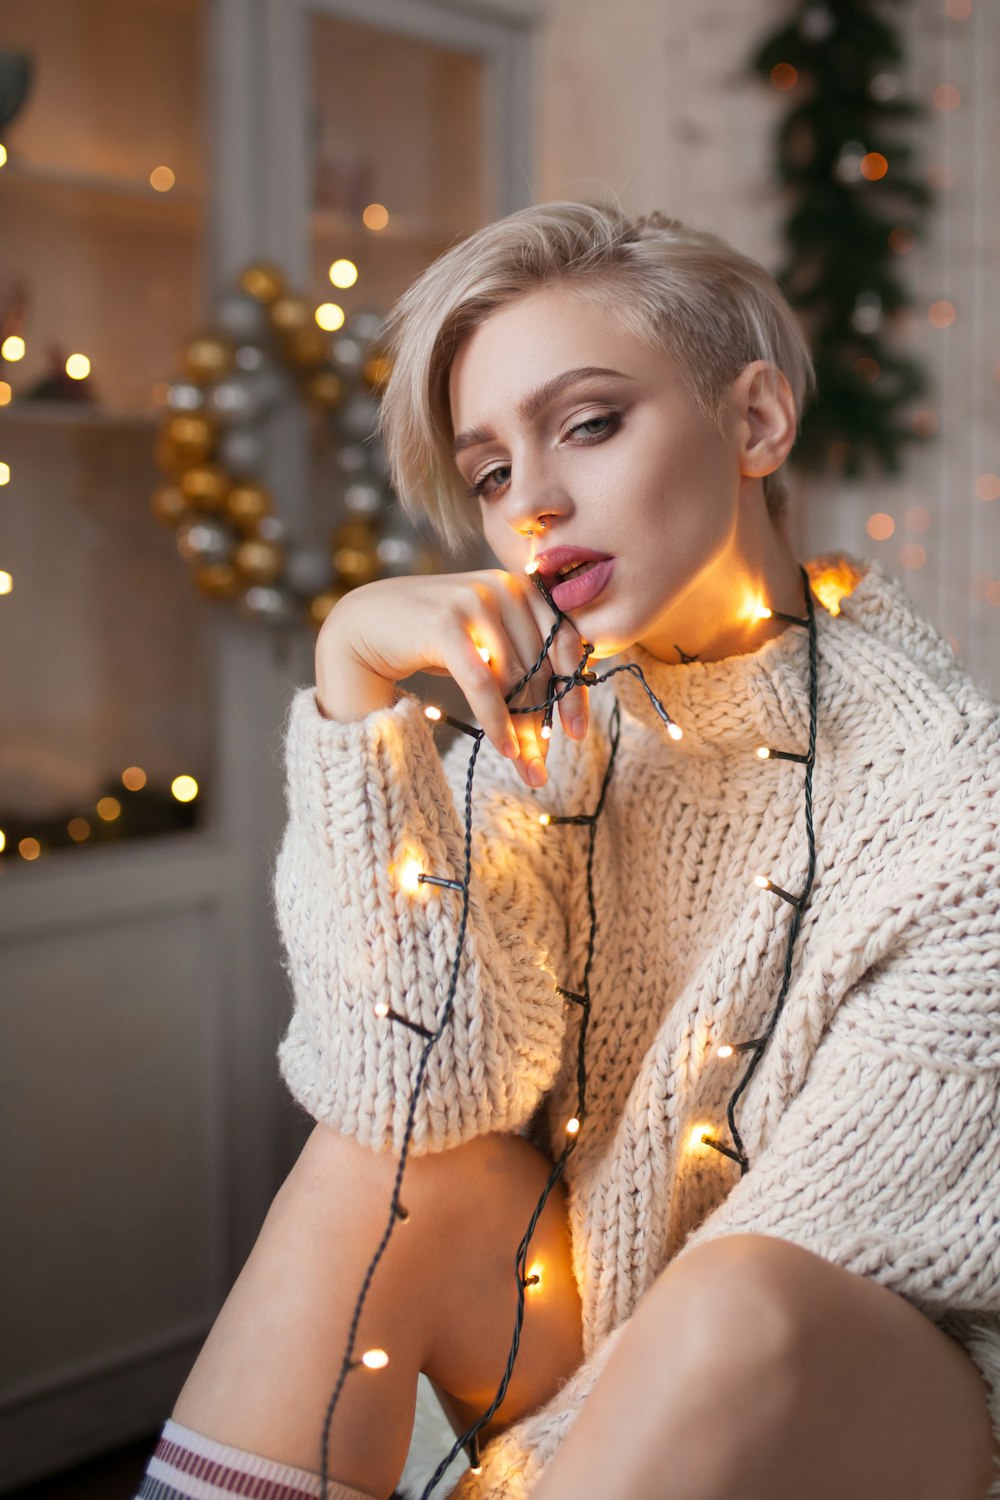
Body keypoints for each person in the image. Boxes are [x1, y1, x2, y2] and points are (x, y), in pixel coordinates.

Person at [139, 202, 1000, 1500]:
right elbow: (405, 1095)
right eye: (489, 474)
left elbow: (812, 1267)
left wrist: (521, 1475)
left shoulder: (960, 802)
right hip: (597, 1333)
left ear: (755, 422)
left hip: (871, 1390)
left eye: (589, 423)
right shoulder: (543, 739)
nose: (533, 503)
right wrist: (356, 687)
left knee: (737, 1294)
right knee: (386, 1164)